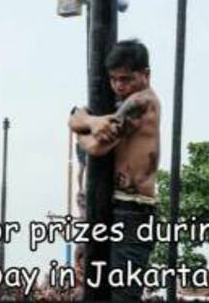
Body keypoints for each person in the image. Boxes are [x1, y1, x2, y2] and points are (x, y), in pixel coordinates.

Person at [68, 40, 160, 302]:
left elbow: (96, 148)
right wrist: (93, 121)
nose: (119, 86)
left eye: (127, 79)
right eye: (114, 79)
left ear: (146, 74)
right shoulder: (121, 102)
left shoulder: (141, 102)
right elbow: (73, 117)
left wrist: (83, 132)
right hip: (115, 205)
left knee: (122, 295)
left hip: (134, 212)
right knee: (95, 288)